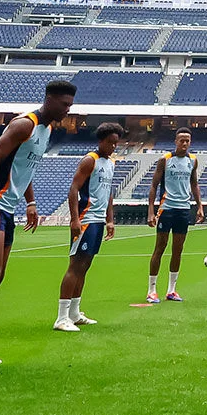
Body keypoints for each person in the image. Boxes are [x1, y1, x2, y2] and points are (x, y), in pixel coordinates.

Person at [0, 79, 76, 380]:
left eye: (70, 106)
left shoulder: (45, 132)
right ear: (49, 99)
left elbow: (25, 169)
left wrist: (30, 203)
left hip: (8, 207)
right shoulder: (25, 124)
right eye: (64, 105)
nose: (67, 111)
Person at [56, 123, 123, 333]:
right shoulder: (89, 160)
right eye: (110, 142)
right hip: (85, 219)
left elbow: (109, 193)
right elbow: (74, 189)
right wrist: (74, 219)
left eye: (116, 143)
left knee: (85, 266)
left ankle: (74, 313)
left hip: (99, 220)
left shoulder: (110, 163)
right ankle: (61, 317)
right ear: (101, 141)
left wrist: (110, 220)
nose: (113, 146)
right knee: (75, 266)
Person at [146, 130, 203, 303]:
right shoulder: (165, 160)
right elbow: (154, 185)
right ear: (175, 141)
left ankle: (171, 290)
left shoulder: (192, 161)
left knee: (178, 249)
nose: (184, 144)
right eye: (181, 141)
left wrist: (199, 205)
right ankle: (152, 290)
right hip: (167, 208)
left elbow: (194, 184)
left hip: (183, 208)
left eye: (187, 141)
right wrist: (151, 210)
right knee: (160, 247)